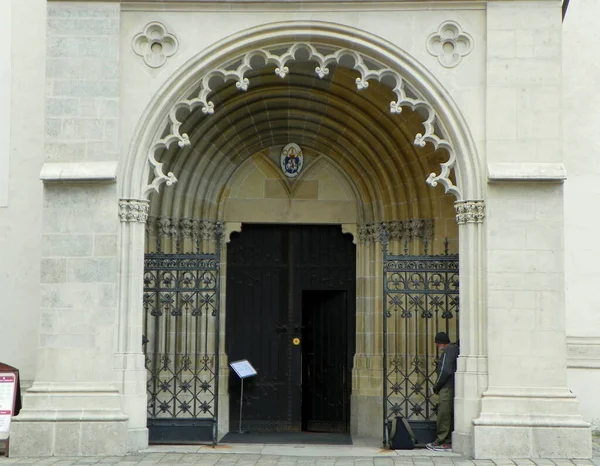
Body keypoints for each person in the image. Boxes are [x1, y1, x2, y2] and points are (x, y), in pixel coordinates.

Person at [426, 332, 459, 452]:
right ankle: (446, 440)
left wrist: (437, 387)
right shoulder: (454, 349)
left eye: (437, 343)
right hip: (451, 385)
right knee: (447, 413)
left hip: (447, 387)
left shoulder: (447, 351)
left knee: (444, 414)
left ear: (440, 343)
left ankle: (442, 441)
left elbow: (445, 371)